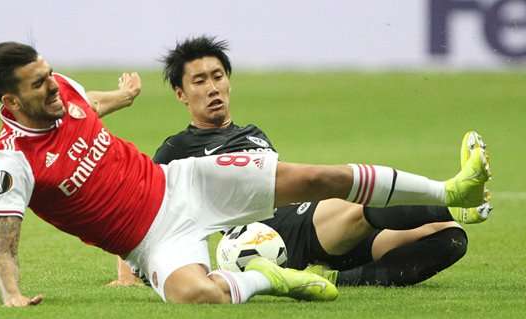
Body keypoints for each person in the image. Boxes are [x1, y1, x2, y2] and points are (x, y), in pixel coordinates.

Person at [0, 41, 490, 307]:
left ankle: (451, 187)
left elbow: (83, 104)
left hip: (185, 184)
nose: (52, 88)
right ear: (10, 100)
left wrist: (124, 97)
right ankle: (262, 279)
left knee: (316, 177)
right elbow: (6, 245)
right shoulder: (14, 162)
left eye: (49, 75)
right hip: (151, 242)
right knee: (192, 296)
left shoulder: (62, 90)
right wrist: (12, 295)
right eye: (38, 84)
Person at [110, 36, 493, 288]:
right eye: (199, 81)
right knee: (359, 206)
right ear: (180, 93)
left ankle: (337, 278)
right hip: (270, 234)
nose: (213, 88)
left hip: (309, 222)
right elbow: (139, 202)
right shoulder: (179, 148)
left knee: (448, 240)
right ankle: (457, 201)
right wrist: (127, 273)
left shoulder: (253, 132)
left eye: (218, 76)